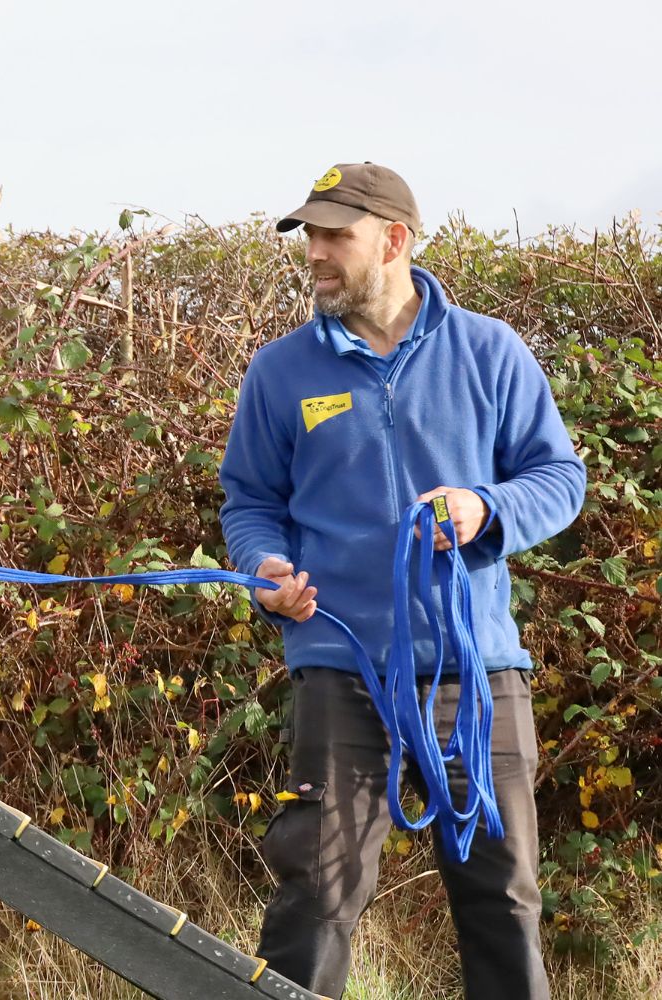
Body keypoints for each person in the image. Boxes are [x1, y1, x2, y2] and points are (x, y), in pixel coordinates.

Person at [217, 162, 586, 998]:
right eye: (307, 234)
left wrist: (483, 509)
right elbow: (249, 502)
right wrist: (264, 572)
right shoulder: (280, 372)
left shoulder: (491, 351)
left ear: (393, 239)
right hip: (342, 673)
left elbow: (559, 478)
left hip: (477, 676)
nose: (313, 251)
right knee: (313, 901)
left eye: (333, 235)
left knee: (505, 902)